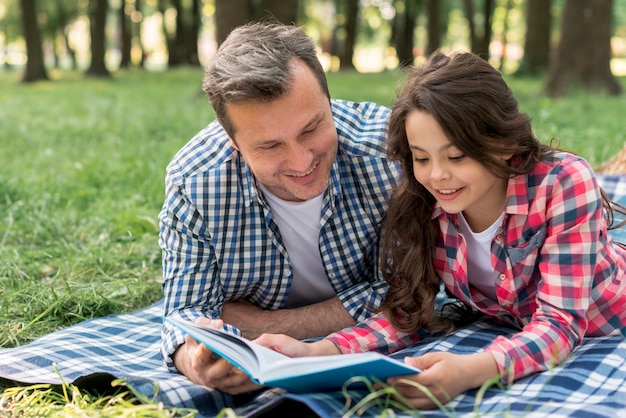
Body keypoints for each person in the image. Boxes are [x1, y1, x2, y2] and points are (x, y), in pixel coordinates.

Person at [252, 51, 626, 407]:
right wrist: (316, 353)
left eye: (456, 156)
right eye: (421, 157)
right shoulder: (425, 205)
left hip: (609, 318)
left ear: (504, 143)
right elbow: (408, 313)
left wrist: (472, 371)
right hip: (516, 325)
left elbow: (560, 324)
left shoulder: (563, 184)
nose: (437, 175)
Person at [158, 21, 400, 390]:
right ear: (232, 140)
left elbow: (413, 292)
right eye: (270, 146)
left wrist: (263, 324)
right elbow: (185, 315)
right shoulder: (194, 183)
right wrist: (196, 364)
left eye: (311, 128)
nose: (302, 161)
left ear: (327, 98)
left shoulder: (388, 153)